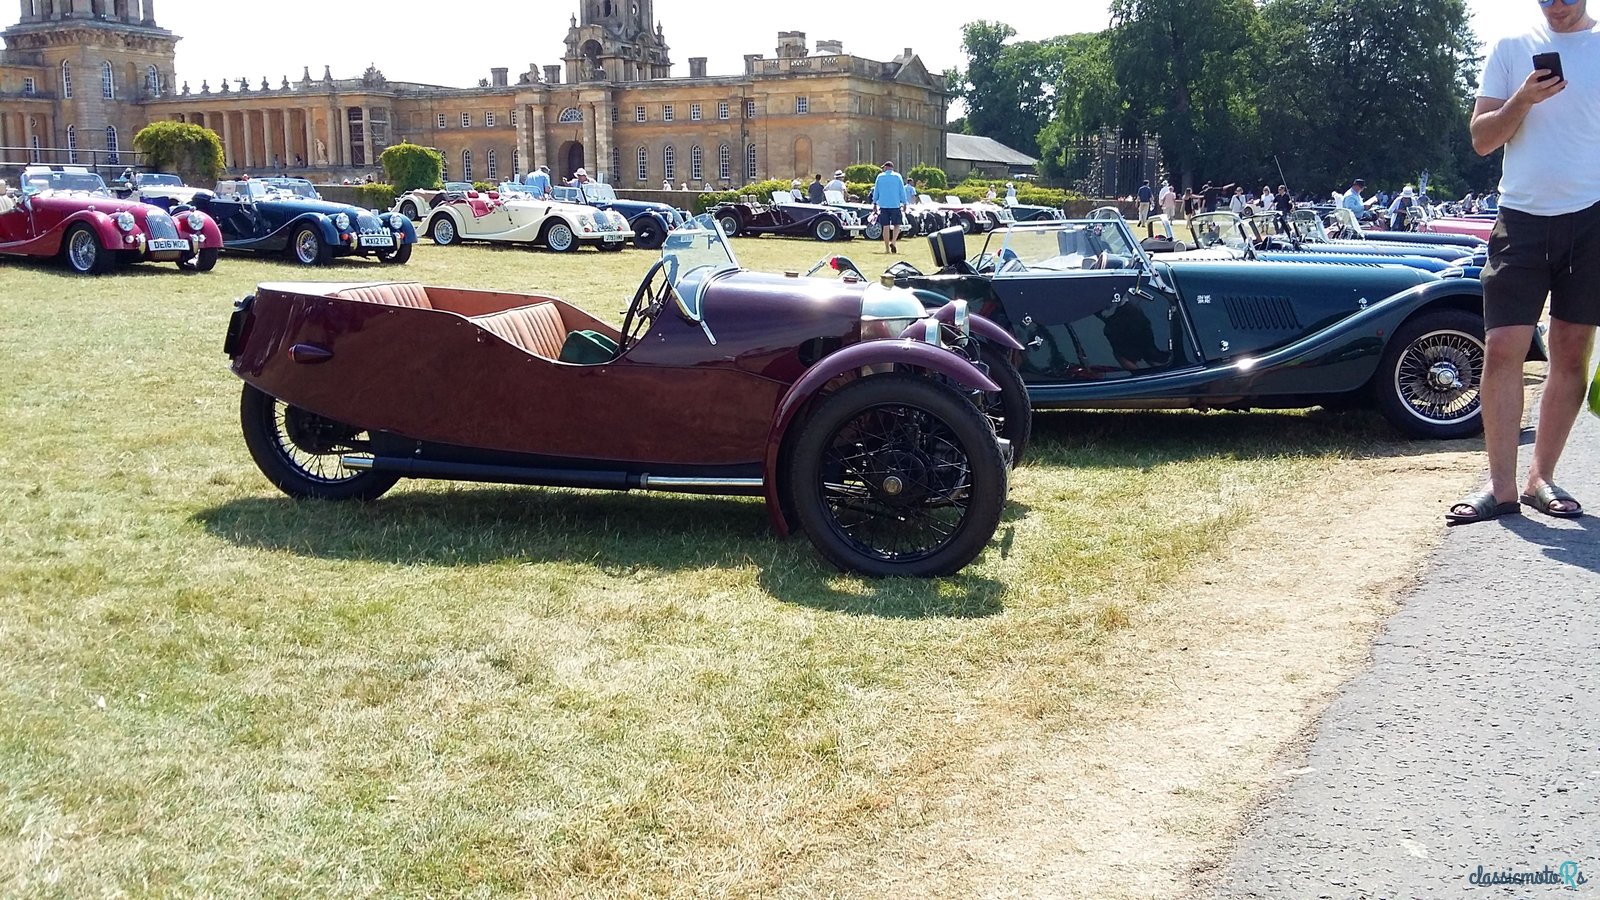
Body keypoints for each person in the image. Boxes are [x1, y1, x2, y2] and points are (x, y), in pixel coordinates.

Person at [1448, 0, 1599, 524]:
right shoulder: (1512, 46)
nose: (1556, 5)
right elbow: (1482, 139)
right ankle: (1502, 487)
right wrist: (1523, 98)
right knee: (1502, 346)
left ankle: (1542, 478)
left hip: (1593, 217)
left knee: (1571, 349)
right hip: (1522, 216)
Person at [872, 160, 906, 253]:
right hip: (895, 204)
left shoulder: (880, 177)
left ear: (886, 167)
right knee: (897, 225)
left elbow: (876, 191)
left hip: (883, 205)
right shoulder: (898, 176)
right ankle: (894, 242)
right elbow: (902, 191)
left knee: (885, 227)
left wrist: (874, 203)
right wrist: (905, 202)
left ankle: (887, 248)